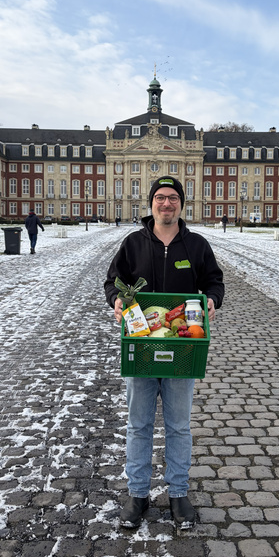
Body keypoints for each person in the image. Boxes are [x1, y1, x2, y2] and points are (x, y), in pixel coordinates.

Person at [104, 177, 224, 529]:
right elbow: (113, 280)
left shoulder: (197, 245)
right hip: (140, 346)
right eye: (160, 198)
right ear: (151, 203)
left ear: (181, 204)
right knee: (139, 425)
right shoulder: (133, 243)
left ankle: (178, 495)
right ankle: (138, 495)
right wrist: (116, 301)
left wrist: (213, 300)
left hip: (184, 347)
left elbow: (214, 281)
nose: (166, 204)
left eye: (172, 198)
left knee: (179, 426)